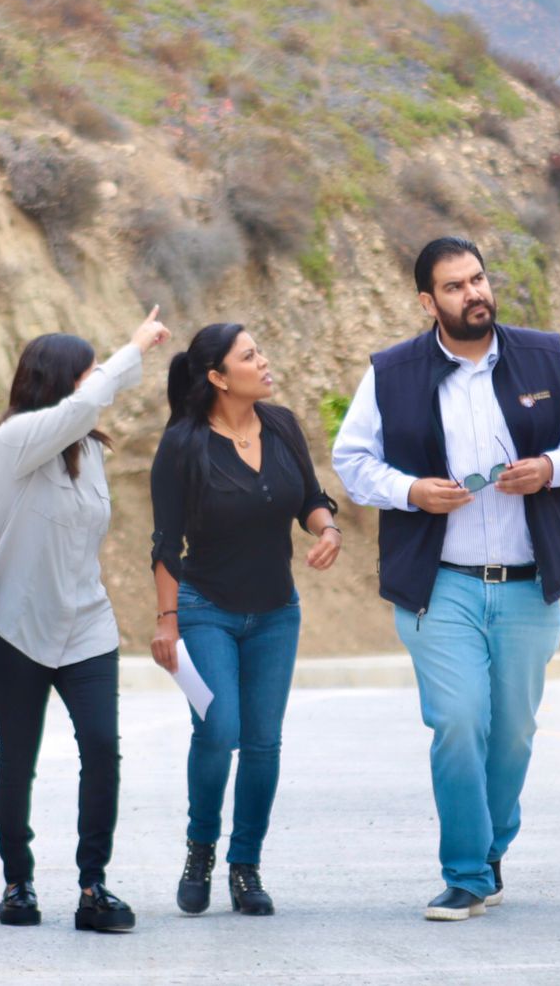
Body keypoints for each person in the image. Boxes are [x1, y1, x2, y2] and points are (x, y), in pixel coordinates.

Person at [332, 236, 560, 922]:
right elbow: (352, 459)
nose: (474, 294)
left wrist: (549, 468)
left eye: (478, 280)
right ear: (428, 302)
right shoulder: (392, 373)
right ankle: (463, 871)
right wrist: (408, 491)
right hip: (441, 584)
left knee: (512, 731)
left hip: (526, 583)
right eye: (455, 287)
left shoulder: (544, 355)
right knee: (459, 722)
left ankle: (490, 849)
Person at [0, 308, 171, 932]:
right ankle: (17, 882)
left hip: (86, 624)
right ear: (59, 382)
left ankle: (93, 886)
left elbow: (84, 417)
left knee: (103, 750)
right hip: (15, 627)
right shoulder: (14, 441)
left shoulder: (90, 448)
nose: (97, 385)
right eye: (86, 374)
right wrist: (133, 344)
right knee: (18, 757)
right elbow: (81, 409)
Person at [149, 323, 341, 918]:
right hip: (205, 608)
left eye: (260, 350)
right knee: (219, 730)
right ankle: (200, 848)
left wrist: (326, 529)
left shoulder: (281, 424)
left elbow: (310, 496)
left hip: (276, 613)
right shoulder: (182, 444)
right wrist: (166, 621)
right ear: (216, 376)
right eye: (250, 355)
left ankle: (245, 865)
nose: (265, 361)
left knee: (262, 743)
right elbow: (164, 542)